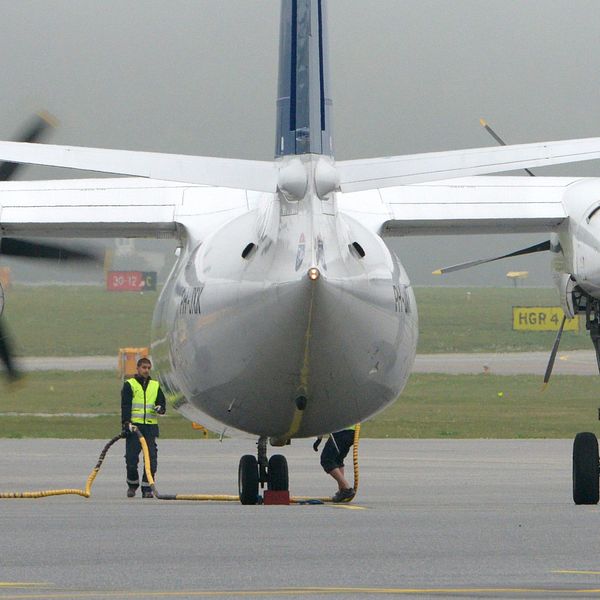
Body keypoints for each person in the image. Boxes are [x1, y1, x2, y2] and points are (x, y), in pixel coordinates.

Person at [121, 357, 166, 498]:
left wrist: (161, 408)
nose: (146, 370)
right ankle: (132, 485)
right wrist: (126, 422)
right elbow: (126, 405)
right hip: (135, 428)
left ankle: (147, 488)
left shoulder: (155, 385)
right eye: (143, 367)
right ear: (138, 368)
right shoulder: (130, 385)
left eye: (148, 368)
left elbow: (162, 402)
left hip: (150, 428)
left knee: (151, 460)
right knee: (131, 459)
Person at [314, 425, 357, 502]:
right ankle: (342, 490)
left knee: (327, 460)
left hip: (341, 431)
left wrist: (319, 438)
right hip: (351, 431)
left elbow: (324, 417)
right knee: (338, 460)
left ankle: (346, 489)